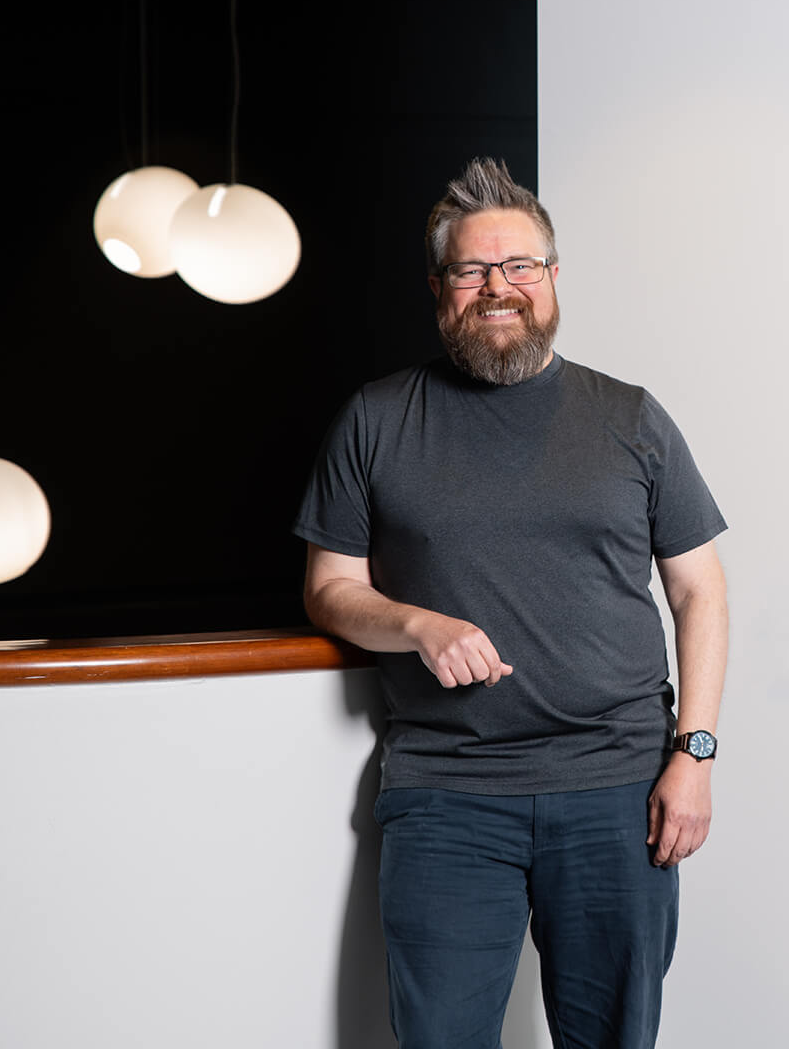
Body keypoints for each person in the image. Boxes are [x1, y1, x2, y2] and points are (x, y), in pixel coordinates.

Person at [294, 158, 728, 1049]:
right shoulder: (376, 421)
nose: (499, 288)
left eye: (519, 266)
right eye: (472, 270)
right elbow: (331, 589)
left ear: (554, 278)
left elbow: (700, 591)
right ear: (439, 287)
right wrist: (417, 624)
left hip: (619, 790)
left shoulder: (631, 418)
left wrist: (695, 754)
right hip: (447, 797)